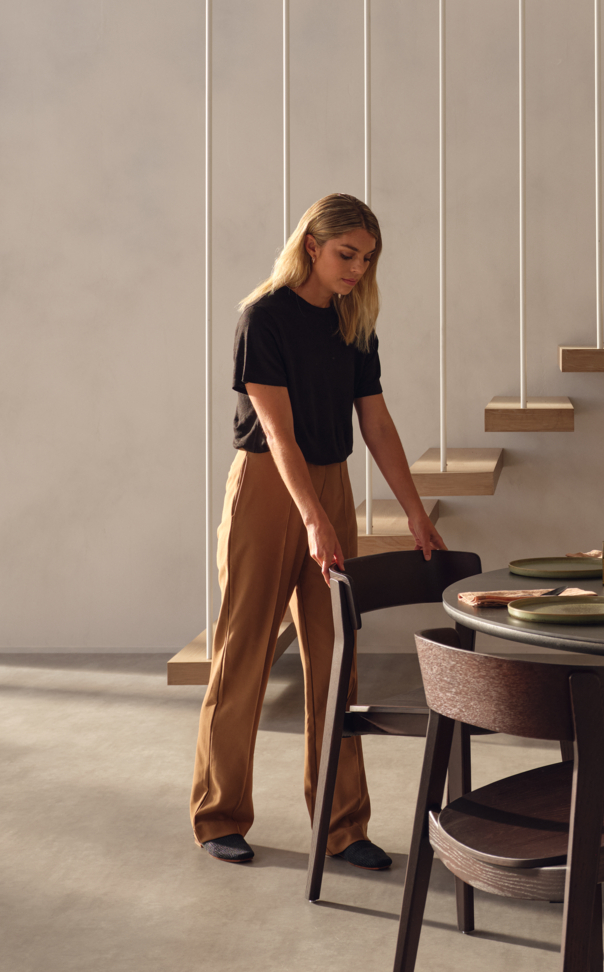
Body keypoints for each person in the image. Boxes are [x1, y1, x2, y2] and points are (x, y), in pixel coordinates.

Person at [191, 193, 446, 866]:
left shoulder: (355, 323)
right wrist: (311, 517)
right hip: (268, 488)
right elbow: (275, 431)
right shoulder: (263, 318)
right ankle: (220, 815)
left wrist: (415, 509)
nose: (357, 269)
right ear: (312, 245)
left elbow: (378, 424)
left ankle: (343, 827)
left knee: (338, 656)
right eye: (345, 255)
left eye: (366, 258)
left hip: (330, 481)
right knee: (244, 649)